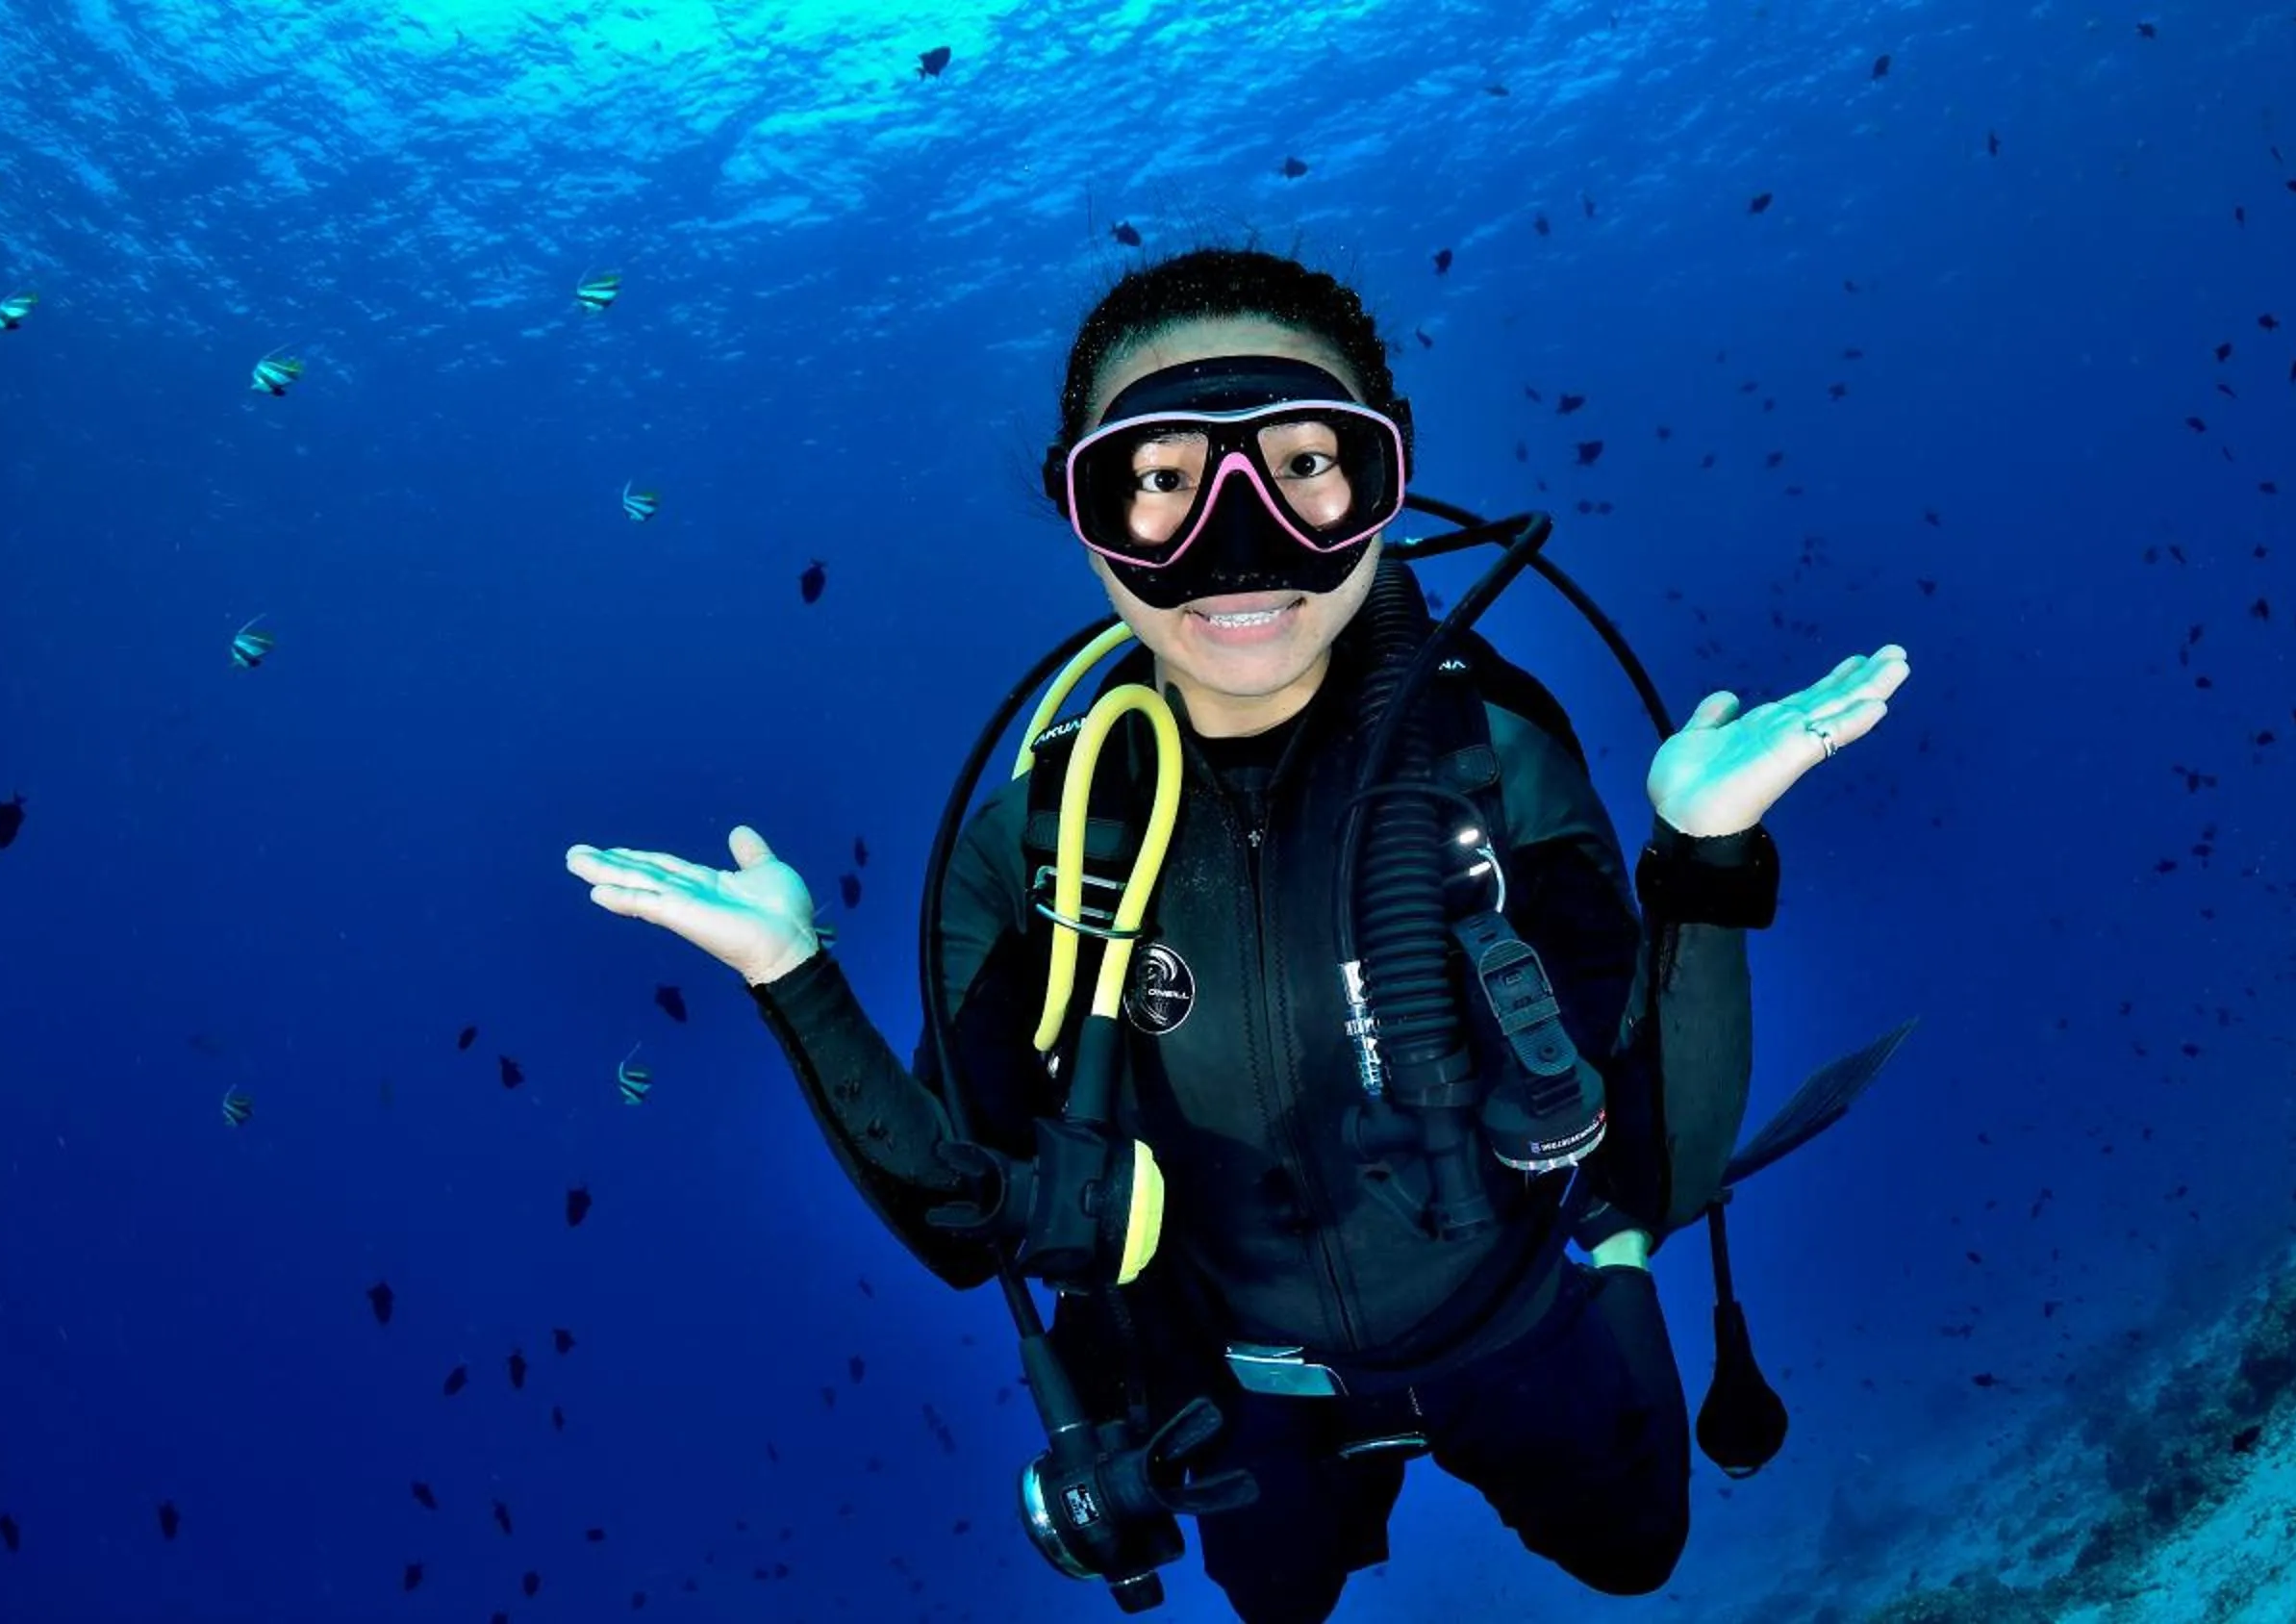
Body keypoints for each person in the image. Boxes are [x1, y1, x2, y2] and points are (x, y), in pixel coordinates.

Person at [566, 246, 1910, 1624]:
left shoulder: (1492, 763)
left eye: (1306, 459)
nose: (1236, 535)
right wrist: (792, 979)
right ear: (1084, 516)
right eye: (1159, 479)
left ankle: (1609, 1287)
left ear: (1384, 485)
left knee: (1638, 1556)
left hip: (1511, 1319)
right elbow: (968, 1228)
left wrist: (1704, 857)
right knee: (1282, 1606)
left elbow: (1661, 1162)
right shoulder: (1038, 848)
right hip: (1236, 1391)